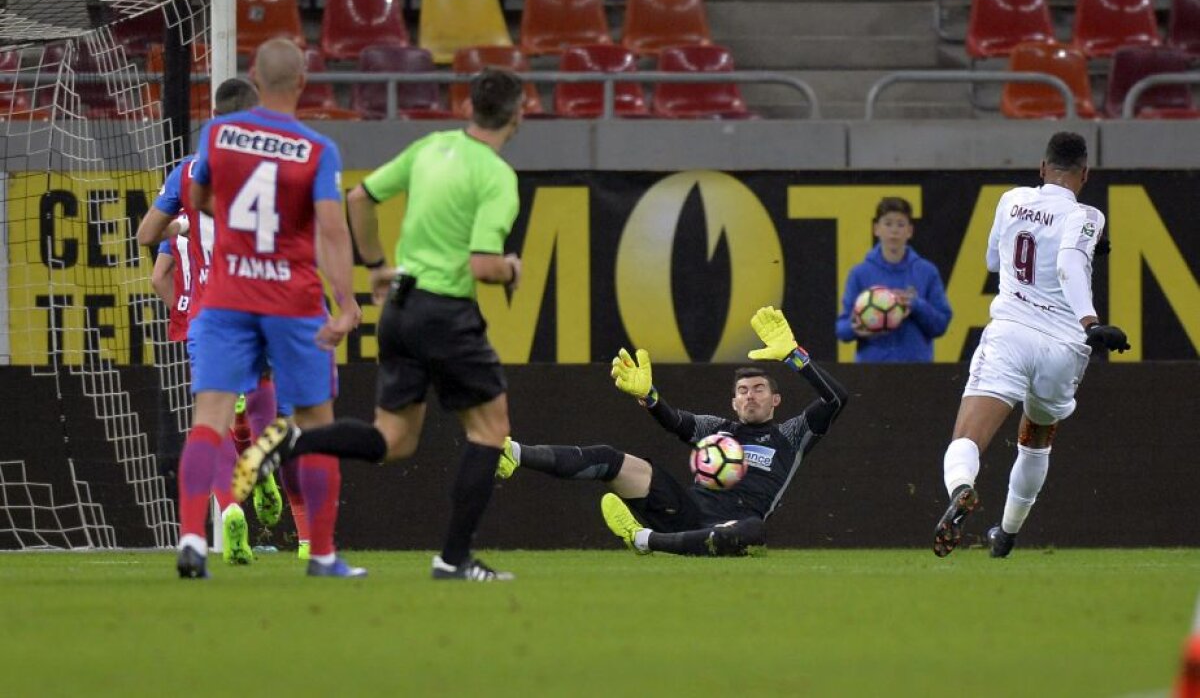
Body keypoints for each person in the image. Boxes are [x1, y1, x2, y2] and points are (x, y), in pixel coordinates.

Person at [233, 67, 526, 582]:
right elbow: (483, 264)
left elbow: (359, 198)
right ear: (519, 113)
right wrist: (512, 268)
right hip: (447, 314)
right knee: (490, 432)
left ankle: (295, 440)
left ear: (465, 108)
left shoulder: (431, 147)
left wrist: (375, 266)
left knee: (393, 440)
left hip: (401, 310)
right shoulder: (498, 177)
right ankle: (453, 560)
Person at [178, 38, 363, 579]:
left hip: (229, 295)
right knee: (316, 427)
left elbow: (202, 198)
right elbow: (332, 231)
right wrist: (346, 304)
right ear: (303, 82)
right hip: (294, 299)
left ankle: (193, 538)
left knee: (208, 419)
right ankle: (322, 553)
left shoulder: (218, 133)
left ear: (254, 77)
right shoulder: (317, 149)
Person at [496, 306, 848, 556]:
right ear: (734, 402)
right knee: (609, 458)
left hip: (735, 526)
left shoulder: (790, 436)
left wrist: (794, 357)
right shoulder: (718, 429)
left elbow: (836, 399)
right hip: (684, 512)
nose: (750, 396)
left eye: (758, 389)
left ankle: (643, 539)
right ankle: (513, 453)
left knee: (754, 532)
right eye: (742, 391)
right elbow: (675, 421)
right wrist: (650, 397)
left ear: (776, 400)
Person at [933, 132, 1130, 559]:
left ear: (1043, 168)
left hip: (1011, 331)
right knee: (1036, 438)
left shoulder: (1011, 200)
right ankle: (1006, 534)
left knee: (968, 435)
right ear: (1085, 174)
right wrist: (1090, 321)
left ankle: (962, 489)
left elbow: (992, 262)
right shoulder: (1088, 216)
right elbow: (1068, 263)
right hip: (1063, 346)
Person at [137, 79, 282, 567]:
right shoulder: (275, 167)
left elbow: (145, 236)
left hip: (207, 313)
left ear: (214, 114)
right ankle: (262, 472)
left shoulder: (188, 172)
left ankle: (228, 510)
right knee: (268, 409)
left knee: (211, 424)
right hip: (259, 306)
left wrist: (178, 223)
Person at [835, 197, 952, 362]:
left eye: (900, 224)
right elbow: (841, 330)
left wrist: (915, 304)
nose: (894, 230)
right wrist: (856, 327)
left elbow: (941, 325)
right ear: (876, 229)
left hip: (917, 372)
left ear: (910, 231)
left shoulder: (927, 272)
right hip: (872, 372)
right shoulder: (859, 273)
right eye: (888, 223)